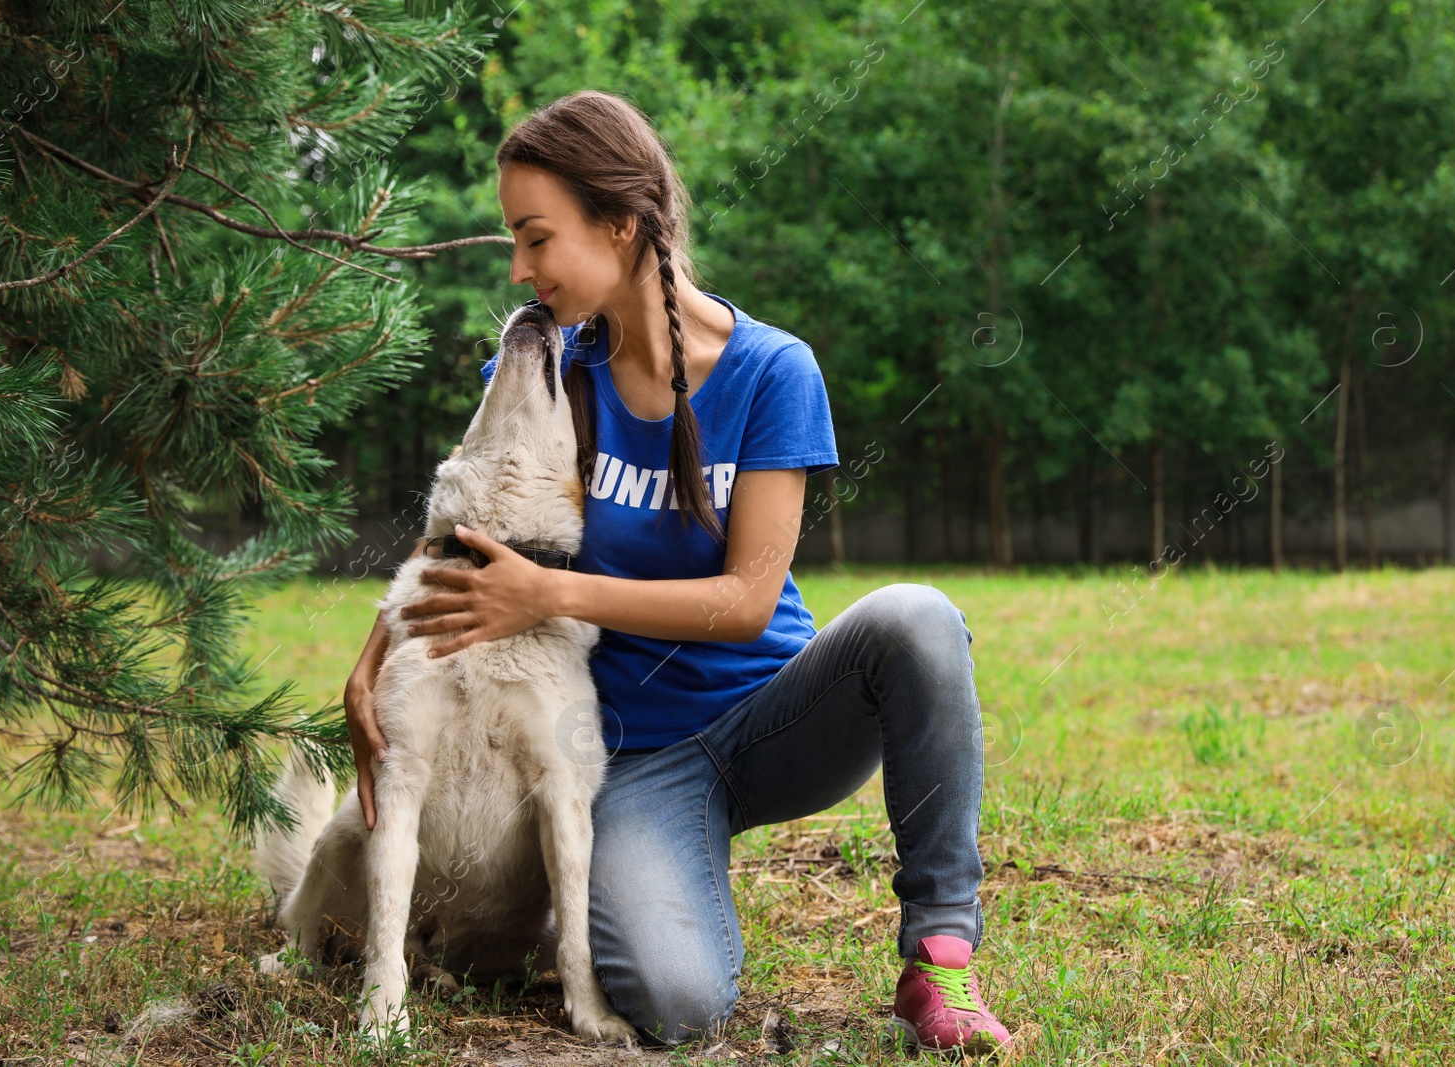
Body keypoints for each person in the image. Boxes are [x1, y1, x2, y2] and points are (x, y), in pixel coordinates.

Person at [342, 89, 1011, 1056]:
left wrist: (551, 594)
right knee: (676, 1000)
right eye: (513, 245)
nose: (521, 270)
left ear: (620, 225)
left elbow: (745, 603)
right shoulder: (544, 366)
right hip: (636, 762)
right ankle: (676, 866)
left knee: (917, 617)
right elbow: (463, 519)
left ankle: (941, 960)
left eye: (536, 238)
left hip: (778, 711)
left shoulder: (774, 371)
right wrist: (373, 659)